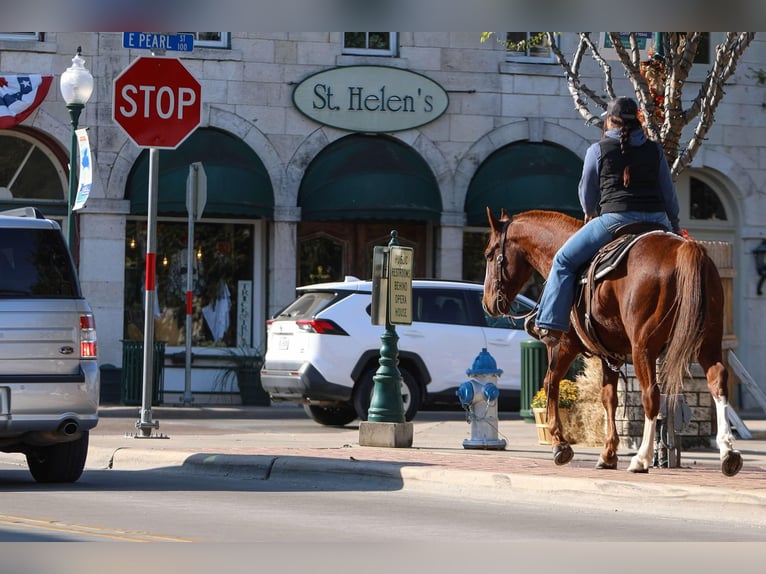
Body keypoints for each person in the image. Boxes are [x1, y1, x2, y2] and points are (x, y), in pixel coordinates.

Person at [531, 96, 681, 345]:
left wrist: (589, 212)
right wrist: (674, 226)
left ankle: (550, 325)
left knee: (563, 260)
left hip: (614, 220)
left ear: (611, 121)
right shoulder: (655, 150)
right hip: (657, 221)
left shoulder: (597, 150)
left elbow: (587, 191)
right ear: (638, 121)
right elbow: (669, 195)